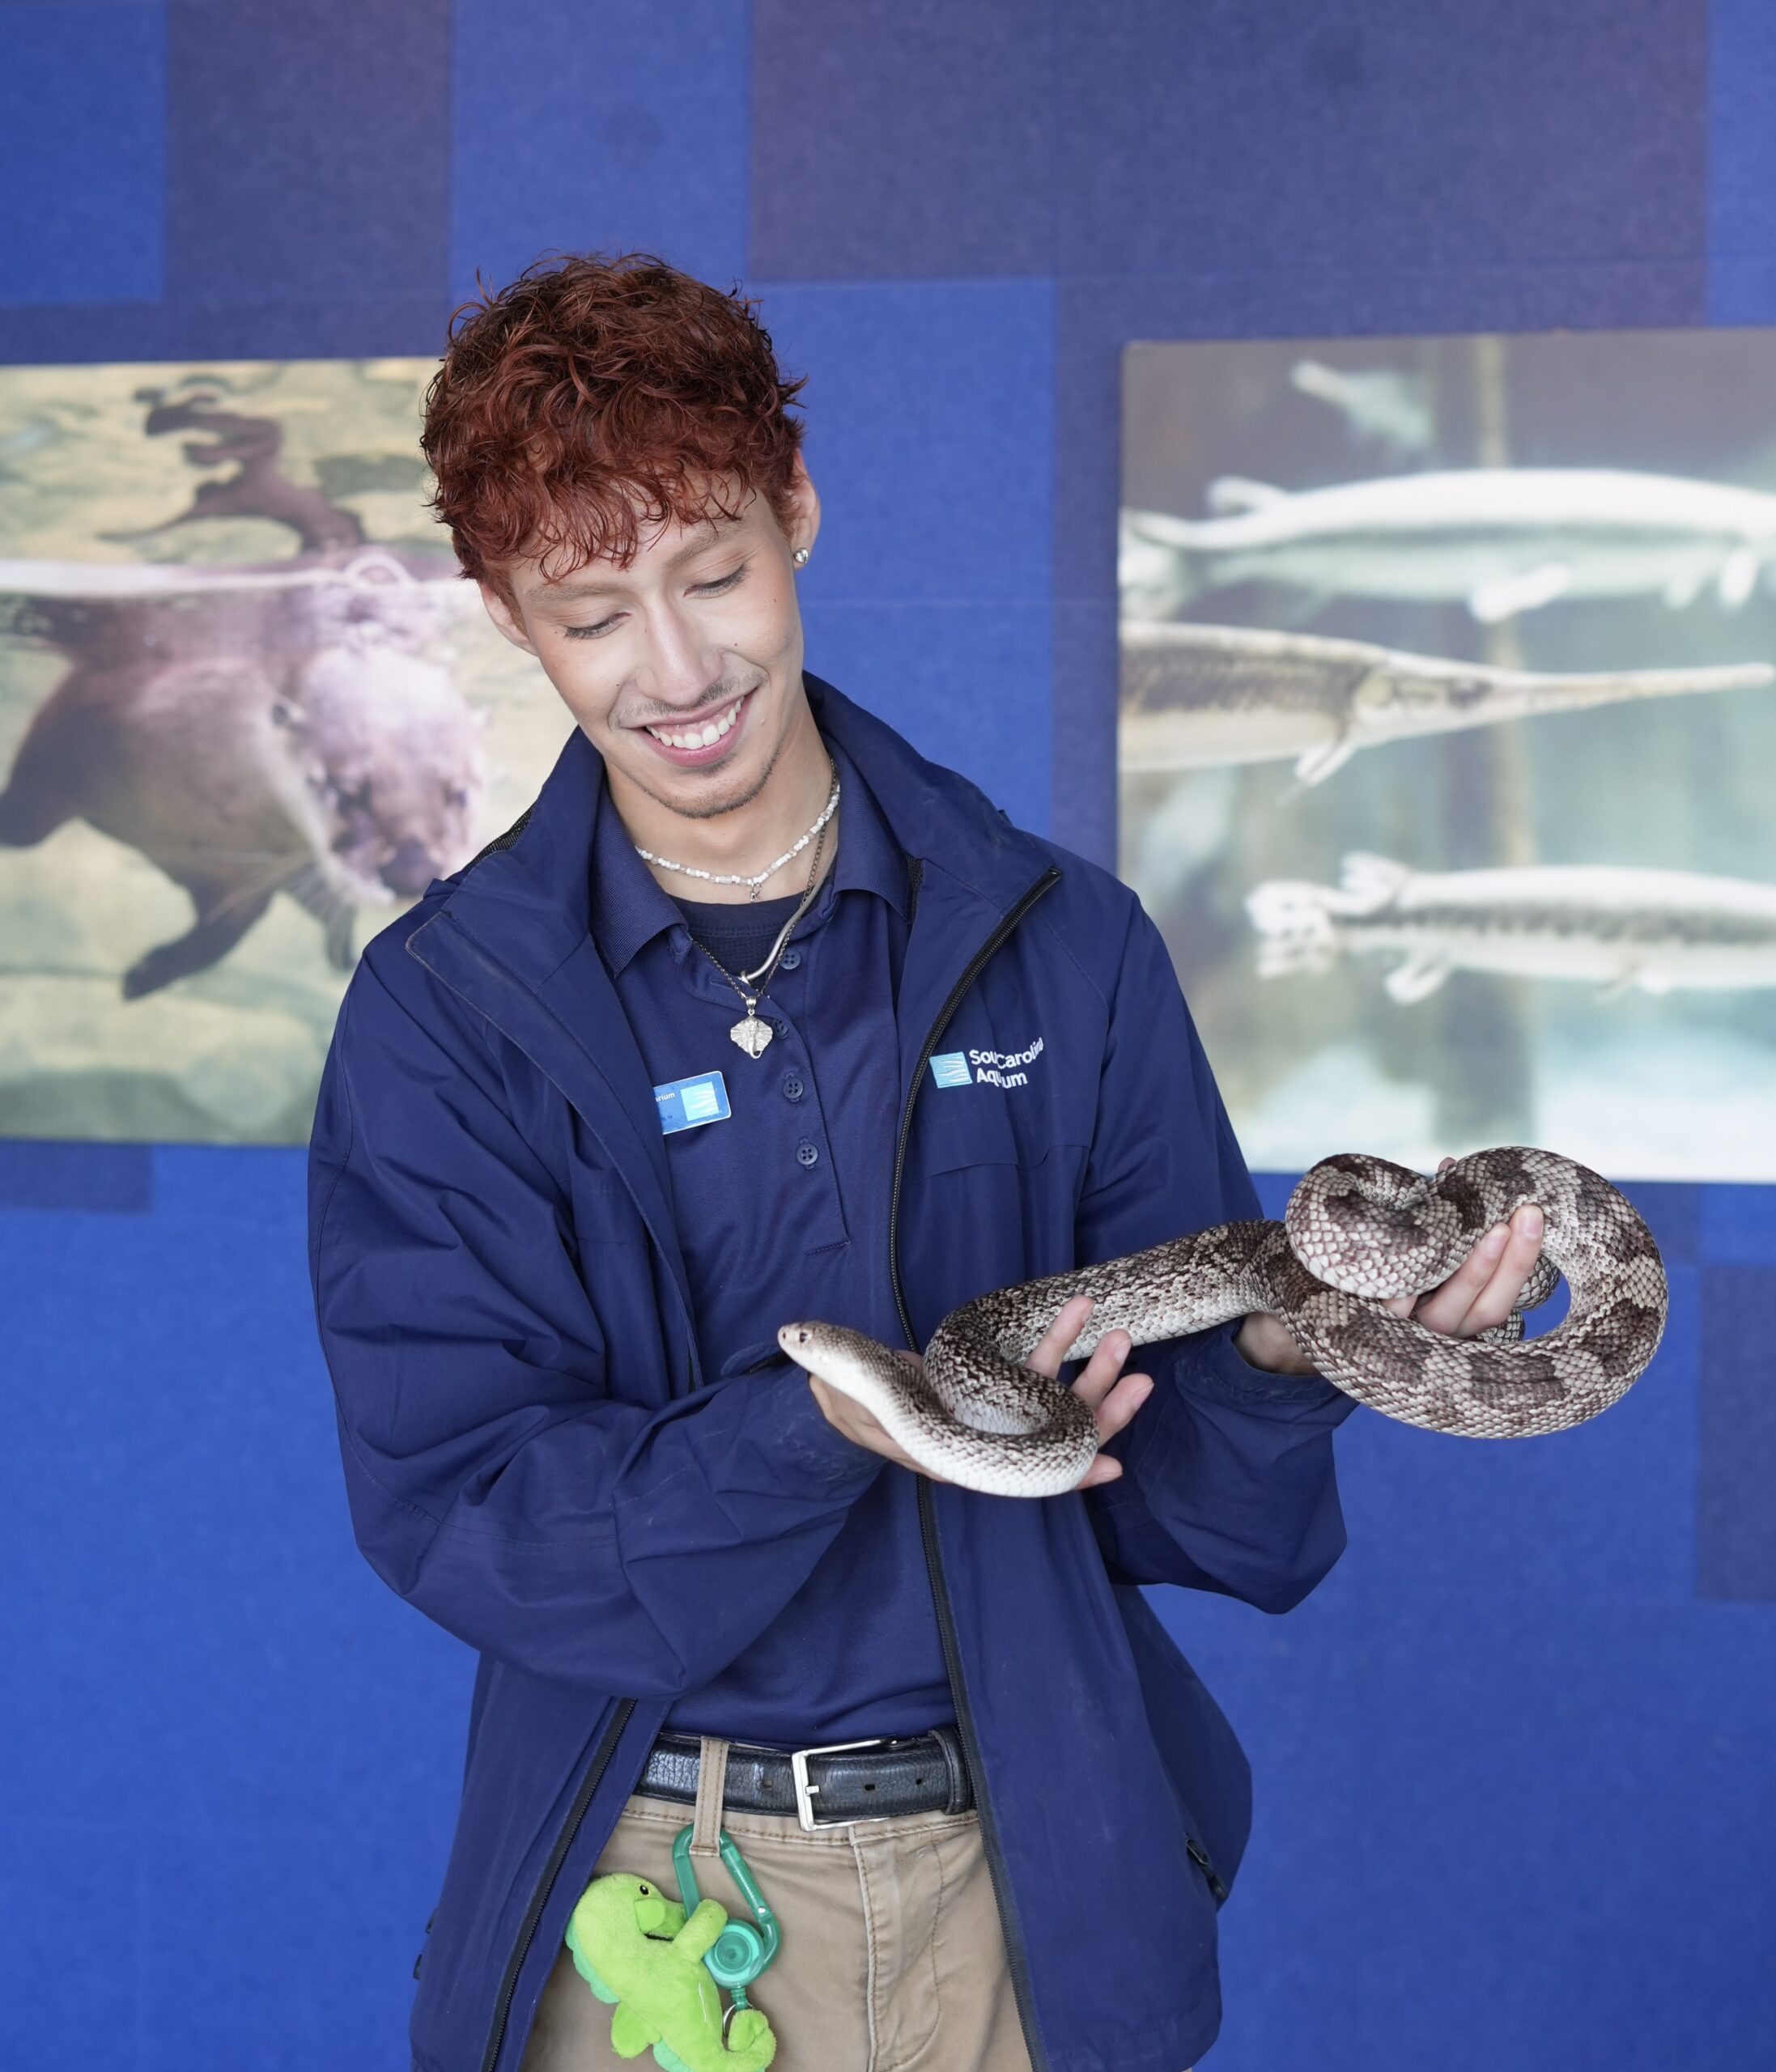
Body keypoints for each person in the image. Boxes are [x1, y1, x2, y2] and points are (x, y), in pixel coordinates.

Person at [307, 253, 1545, 2072]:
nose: (676, 671)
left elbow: (1178, 1502)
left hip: (1023, 1886)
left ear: (795, 510)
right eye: (590, 613)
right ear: (506, 613)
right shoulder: (449, 1011)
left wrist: (1297, 1348)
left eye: (713, 574)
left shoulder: (1064, 941)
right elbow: (466, 1514)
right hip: (653, 1899)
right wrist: (826, 1424)